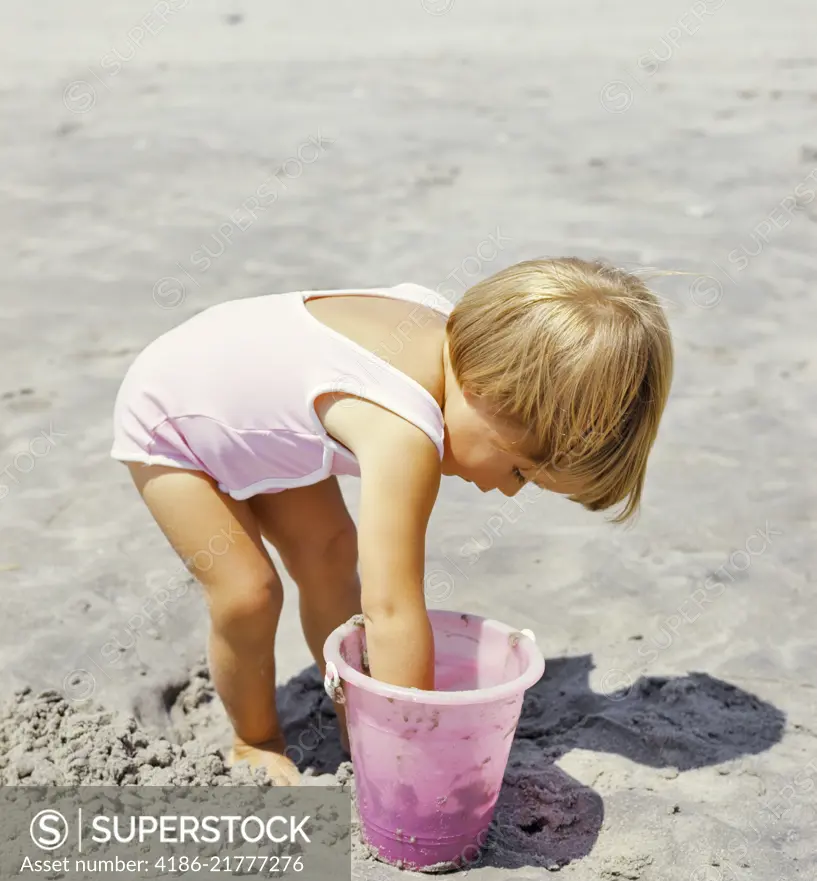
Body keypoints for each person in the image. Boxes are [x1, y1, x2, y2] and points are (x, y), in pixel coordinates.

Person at [111, 258, 674, 784]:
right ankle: (253, 740)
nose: (506, 490)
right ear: (488, 392)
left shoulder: (450, 335)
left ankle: (356, 724)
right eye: (521, 472)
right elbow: (391, 608)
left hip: (258, 417)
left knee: (330, 555)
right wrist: (413, 748)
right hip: (173, 415)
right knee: (249, 593)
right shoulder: (402, 432)